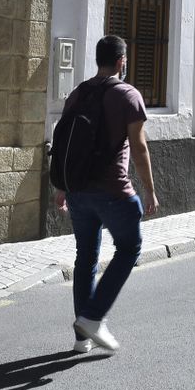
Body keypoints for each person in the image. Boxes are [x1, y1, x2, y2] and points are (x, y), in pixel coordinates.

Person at [53, 35, 158, 356]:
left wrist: (61, 187)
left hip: (78, 191)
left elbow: (64, 143)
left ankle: (81, 337)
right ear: (121, 62)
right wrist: (150, 190)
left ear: (98, 60)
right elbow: (139, 147)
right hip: (113, 191)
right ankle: (93, 318)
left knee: (85, 257)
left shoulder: (78, 94)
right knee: (129, 248)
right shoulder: (128, 95)